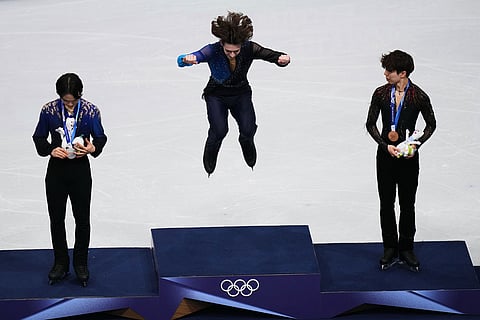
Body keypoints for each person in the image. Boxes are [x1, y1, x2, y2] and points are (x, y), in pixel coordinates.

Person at [177, 11, 290, 176]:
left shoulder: (249, 48)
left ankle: (246, 142)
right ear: (222, 43)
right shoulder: (212, 50)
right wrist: (186, 59)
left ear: (242, 45)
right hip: (216, 95)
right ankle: (211, 152)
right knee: (220, 130)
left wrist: (281, 59)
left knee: (248, 129)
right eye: (228, 51)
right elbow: (192, 57)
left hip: (241, 94)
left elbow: (270, 55)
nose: (231, 54)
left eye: (235, 51)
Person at [33, 73, 107, 286]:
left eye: (73, 101)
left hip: (80, 171)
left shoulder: (91, 111)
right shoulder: (48, 110)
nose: (69, 105)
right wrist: (50, 150)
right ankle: (60, 263)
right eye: (65, 101)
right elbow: (38, 137)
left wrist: (93, 148)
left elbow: (100, 137)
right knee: (57, 219)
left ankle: (81, 263)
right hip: (56, 171)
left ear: (79, 95)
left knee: (82, 219)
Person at [365, 50, 436, 272]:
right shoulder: (380, 94)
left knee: (407, 204)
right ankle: (389, 247)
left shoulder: (419, 96)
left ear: (402, 73)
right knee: (386, 203)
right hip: (385, 156)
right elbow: (370, 124)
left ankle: (406, 248)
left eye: (390, 70)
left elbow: (431, 125)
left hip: (408, 159)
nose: (385, 74)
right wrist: (385, 145)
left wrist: (414, 145)